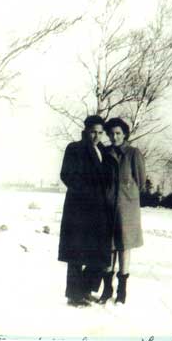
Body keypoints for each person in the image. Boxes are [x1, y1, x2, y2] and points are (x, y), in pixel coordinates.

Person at [58, 115, 113, 307]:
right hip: (79, 208)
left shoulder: (104, 151)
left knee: (98, 252)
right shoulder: (75, 148)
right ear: (86, 130)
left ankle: (85, 290)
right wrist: (85, 191)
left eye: (100, 133)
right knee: (76, 252)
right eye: (93, 132)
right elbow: (66, 174)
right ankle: (74, 295)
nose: (96, 136)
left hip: (99, 210)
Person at [98, 117, 146, 305]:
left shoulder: (133, 153)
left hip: (127, 208)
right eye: (111, 133)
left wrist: (128, 194)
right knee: (108, 248)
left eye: (118, 133)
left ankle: (122, 291)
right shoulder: (105, 153)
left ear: (124, 134)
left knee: (124, 247)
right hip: (107, 207)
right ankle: (107, 290)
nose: (114, 136)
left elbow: (141, 181)